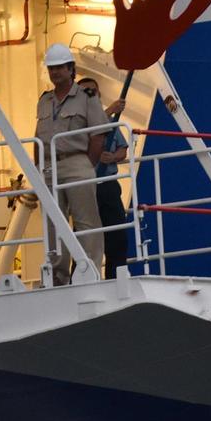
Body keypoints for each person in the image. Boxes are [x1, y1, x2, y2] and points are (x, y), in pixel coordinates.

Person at [34, 43, 107, 285]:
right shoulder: (44, 100)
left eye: (59, 68)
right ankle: (58, 277)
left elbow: (98, 135)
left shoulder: (87, 97)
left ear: (70, 69)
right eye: (51, 68)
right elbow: (37, 137)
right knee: (54, 224)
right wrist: (37, 171)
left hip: (77, 162)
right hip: (48, 167)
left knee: (86, 221)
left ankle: (90, 273)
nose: (55, 72)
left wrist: (88, 164)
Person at [78, 77, 130, 280]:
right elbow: (80, 137)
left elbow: (122, 149)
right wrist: (109, 110)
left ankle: (115, 280)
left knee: (116, 237)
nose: (90, 95)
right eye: (85, 92)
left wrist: (112, 156)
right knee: (84, 239)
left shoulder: (110, 124)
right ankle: (83, 280)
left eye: (93, 92)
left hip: (107, 186)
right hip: (84, 187)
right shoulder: (76, 123)